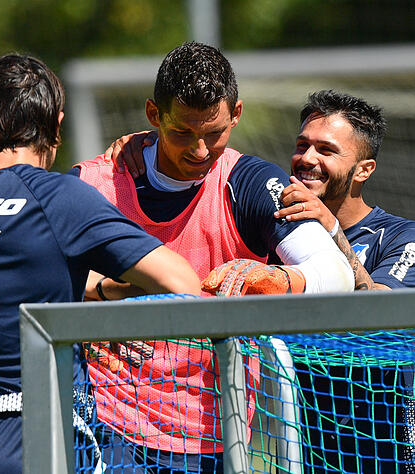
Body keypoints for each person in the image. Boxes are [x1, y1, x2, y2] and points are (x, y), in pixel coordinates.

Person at [0, 53, 201, 474]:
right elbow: (180, 280)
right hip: (32, 440)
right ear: (56, 124)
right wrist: (109, 310)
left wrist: (94, 288)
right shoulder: (59, 198)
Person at [70, 42, 354, 473]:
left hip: (214, 429)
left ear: (236, 114)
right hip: (105, 422)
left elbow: (335, 273)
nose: (200, 151)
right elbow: (36, 283)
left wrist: (275, 279)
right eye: (183, 133)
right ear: (153, 115)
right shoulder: (92, 183)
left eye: (215, 133)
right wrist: (102, 297)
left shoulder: (250, 182)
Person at [272, 89, 415, 473]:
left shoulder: (405, 237)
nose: (306, 159)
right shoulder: (277, 229)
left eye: (326, 150)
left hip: (382, 452)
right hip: (294, 447)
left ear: (364, 169)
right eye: (301, 145)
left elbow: (377, 313)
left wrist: (329, 230)